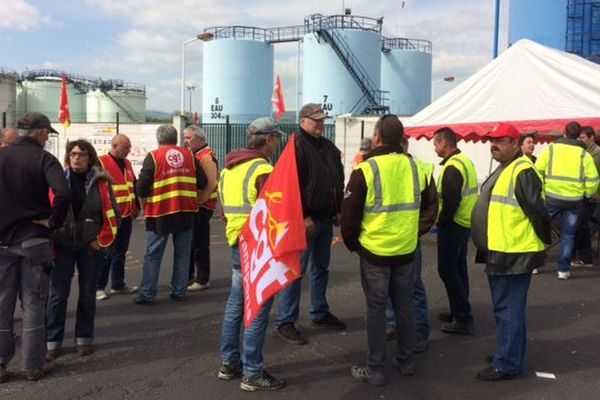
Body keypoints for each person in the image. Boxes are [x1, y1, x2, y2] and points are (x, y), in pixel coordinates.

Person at [341, 115, 437, 386]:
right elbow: (432, 205)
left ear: (378, 138)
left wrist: (353, 244)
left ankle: (376, 369)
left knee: (376, 309)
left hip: (374, 252)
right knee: (404, 306)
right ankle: (406, 361)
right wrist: (417, 231)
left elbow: (349, 215)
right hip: (406, 250)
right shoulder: (418, 168)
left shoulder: (366, 170)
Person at [471, 123, 551, 381]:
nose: (494, 144)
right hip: (502, 249)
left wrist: (541, 243)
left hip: (514, 251)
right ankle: (507, 354)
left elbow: (539, 212)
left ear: (515, 144)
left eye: (501, 140)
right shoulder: (507, 167)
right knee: (506, 309)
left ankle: (507, 363)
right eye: (491, 140)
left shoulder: (522, 170)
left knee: (508, 309)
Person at [0, 113, 70, 382]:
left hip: (2, 240)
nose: (47, 139)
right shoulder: (43, 158)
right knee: (33, 303)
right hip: (33, 239)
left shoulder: (2, 155)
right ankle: (32, 366)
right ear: (40, 133)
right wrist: (53, 221)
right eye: (47, 134)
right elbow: (63, 193)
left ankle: (2, 363)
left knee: (3, 303)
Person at [218, 117, 285, 391]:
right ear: (268, 139)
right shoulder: (262, 169)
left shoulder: (228, 169)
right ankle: (253, 372)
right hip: (257, 245)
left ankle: (229, 362)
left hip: (236, 240)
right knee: (258, 307)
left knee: (237, 303)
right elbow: (272, 211)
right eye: (277, 138)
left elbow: (223, 212)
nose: (277, 143)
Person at [276, 103, 345, 345]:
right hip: (304, 222)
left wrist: (338, 209)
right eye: (315, 120)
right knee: (295, 271)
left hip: (325, 219)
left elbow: (337, 177)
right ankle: (285, 320)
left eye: (322, 120)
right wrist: (302, 216)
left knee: (321, 268)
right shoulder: (295, 146)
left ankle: (319, 311)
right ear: (302, 120)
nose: (320, 124)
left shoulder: (328, 147)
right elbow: (289, 185)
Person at [46, 139, 120, 359]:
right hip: (62, 246)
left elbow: (113, 215)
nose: (77, 158)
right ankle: (53, 342)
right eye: (73, 154)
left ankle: (84, 339)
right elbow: (47, 213)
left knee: (87, 294)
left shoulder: (101, 183)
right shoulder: (57, 181)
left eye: (82, 154)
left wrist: (100, 240)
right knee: (58, 295)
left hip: (90, 248)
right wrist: (52, 239)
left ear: (90, 158)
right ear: (68, 157)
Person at [133, 125, 207, 304]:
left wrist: (144, 206)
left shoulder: (154, 156)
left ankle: (148, 293)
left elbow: (141, 186)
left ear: (159, 140)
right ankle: (180, 291)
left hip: (161, 213)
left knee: (153, 255)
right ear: (177, 139)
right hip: (187, 212)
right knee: (182, 254)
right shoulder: (189, 155)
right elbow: (203, 182)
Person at [385, 136, 438, 353]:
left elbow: (430, 206)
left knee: (412, 286)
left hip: (408, 240)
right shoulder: (383, 168)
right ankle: (393, 323)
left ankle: (419, 333)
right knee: (390, 285)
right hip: (387, 239)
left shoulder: (420, 169)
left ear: (405, 146)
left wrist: (417, 230)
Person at [535, 121, 599, 279]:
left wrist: (542, 190)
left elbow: (537, 170)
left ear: (564, 133)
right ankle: (563, 270)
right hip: (574, 200)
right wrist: (587, 193)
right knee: (568, 235)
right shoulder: (584, 155)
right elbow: (593, 180)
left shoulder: (550, 149)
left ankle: (534, 264)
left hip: (551, 197)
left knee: (540, 229)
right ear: (578, 136)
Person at [433, 127, 478, 334]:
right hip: (464, 222)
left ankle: (462, 317)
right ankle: (459, 309)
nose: (434, 147)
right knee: (459, 269)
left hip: (454, 224)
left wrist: (441, 221)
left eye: (436, 143)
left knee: (447, 269)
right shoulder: (464, 161)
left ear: (444, 143)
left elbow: (451, 201)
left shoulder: (453, 167)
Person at [96, 134, 140, 300]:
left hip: (127, 214)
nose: (128, 151)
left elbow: (133, 184)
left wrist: (136, 206)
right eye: (125, 148)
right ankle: (98, 287)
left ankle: (118, 284)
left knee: (121, 252)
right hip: (109, 216)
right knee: (107, 252)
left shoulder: (127, 163)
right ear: (115, 146)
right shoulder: (101, 162)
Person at [183, 125, 219, 292]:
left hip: (203, 207)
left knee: (200, 243)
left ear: (199, 139)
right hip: (198, 205)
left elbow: (211, 183)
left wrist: (200, 202)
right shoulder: (198, 155)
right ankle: (189, 276)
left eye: (188, 138)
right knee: (192, 242)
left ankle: (202, 278)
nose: (185, 141)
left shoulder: (206, 156)